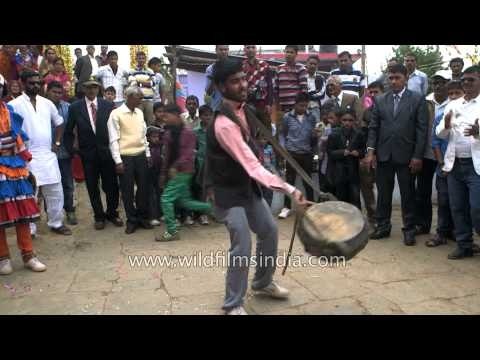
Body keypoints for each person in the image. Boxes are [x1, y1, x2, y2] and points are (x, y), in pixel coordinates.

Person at [205, 58, 308, 315]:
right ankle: (233, 304)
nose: (242, 84)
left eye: (243, 78)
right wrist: (290, 189)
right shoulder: (224, 124)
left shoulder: (245, 111)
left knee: (269, 230)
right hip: (226, 192)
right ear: (220, 87)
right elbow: (252, 166)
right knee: (242, 243)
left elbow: (257, 156)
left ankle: (262, 282)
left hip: (245, 187)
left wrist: (277, 175)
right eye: (234, 81)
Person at [365, 63, 428, 246]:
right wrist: (370, 152)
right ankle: (383, 226)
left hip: (407, 156)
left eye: (397, 77)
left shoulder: (417, 99)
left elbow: (421, 130)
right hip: (384, 155)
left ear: (406, 78)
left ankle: (409, 229)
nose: (393, 81)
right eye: (390, 78)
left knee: (408, 195)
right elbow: (373, 128)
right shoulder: (380, 100)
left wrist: (417, 156)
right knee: (384, 194)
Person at [9, 71, 72, 237]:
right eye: (31, 83)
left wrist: (57, 143)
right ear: (22, 83)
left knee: (55, 191)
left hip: (48, 154)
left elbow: (59, 123)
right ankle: (30, 229)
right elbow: (10, 131)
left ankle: (56, 222)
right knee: (30, 194)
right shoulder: (15, 105)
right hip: (27, 156)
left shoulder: (47, 103)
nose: (35, 86)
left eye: (38, 83)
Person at [0, 78, 46, 275]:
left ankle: (28, 255)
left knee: (23, 214)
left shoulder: (10, 111)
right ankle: (3, 258)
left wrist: (25, 161)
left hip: (16, 167)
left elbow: (18, 139)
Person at [65, 77, 123, 230]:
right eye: (88, 87)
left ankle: (112, 213)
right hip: (88, 154)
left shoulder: (108, 105)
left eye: (94, 87)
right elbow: (68, 130)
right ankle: (99, 216)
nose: (91, 90)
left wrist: (117, 149)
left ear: (99, 89)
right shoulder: (75, 107)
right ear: (84, 89)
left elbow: (116, 129)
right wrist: (73, 150)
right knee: (92, 186)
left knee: (111, 185)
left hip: (107, 152)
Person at [435, 65, 480, 259]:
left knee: (477, 208)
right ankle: (464, 245)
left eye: (471, 79)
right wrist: (445, 126)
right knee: (458, 206)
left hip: (476, 166)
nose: (467, 83)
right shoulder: (454, 105)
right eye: (464, 80)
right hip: (454, 165)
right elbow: (439, 134)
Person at [156, 104, 212, 241]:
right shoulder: (169, 132)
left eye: (167, 116)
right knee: (184, 201)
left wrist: (175, 167)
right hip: (174, 172)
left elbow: (188, 154)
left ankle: (172, 231)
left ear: (176, 115)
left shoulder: (188, 133)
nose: (165, 119)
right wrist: (163, 173)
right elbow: (167, 155)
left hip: (182, 172)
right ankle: (215, 208)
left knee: (166, 199)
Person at [108, 86, 153, 234]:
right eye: (139, 97)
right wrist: (118, 161)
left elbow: (143, 135)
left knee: (143, 189)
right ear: (129, 97)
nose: (141, 101)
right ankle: (132, 220)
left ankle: (142, 217)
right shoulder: (116, 114)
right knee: (127, 191)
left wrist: (147, 154)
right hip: (125, 157)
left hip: (140, 155)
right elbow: (113, 140)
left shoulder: (139, 113)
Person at [414, 70, 451, 236]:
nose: (438, 86)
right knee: (423, 191)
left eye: (442, 82)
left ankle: (448, 229)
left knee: (447, 194)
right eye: (435, 82)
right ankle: (423, 224)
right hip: (427, 153)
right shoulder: (425, 101)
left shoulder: (455, 101)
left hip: (447, 154)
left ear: (448, 84)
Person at [427, 80, 463, 247]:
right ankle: (441, 232)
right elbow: (435, 142)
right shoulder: (441, 117)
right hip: (443, 166)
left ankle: (459, 234)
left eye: (458, 93)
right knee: (443, 200)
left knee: (460, 202)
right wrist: (441, 163)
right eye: (451, 94)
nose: (454, 97)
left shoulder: (470, 117)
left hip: (463, 165)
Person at [278, 92, 317, 219]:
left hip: (306, 153)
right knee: (289, 181)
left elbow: (314, 137)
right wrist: (283, 149)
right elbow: (282, 134)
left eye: (305, 106)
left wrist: (316, 136)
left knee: (308, 181)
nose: (303, 108)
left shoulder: (311, 117)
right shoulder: (287, 117)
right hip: (291, 153)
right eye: (300, 106)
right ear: (295, 104)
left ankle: (310, 207)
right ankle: (286, 207)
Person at [46, 81, 77, 225]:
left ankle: (70, 210)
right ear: (47, 91)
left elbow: (74, 128)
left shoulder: (68, 107)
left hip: (64, 152)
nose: (57, 95)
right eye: (54, 92)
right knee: (49, 185)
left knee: (67, 183)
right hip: (47, 154)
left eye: (60, 93)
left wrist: (75, 144)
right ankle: (51, 214)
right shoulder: (41, 107)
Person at [327, 109, 365, 209]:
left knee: (355, 199)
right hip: (338, 171)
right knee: (340, 200)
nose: (347, 123)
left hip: (353, 171)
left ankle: (357, 223)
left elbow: (363, 150)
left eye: (350, 120)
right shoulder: (334, 134)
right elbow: (330, 152)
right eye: (344, 120)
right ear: (340, 120)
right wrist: (343, 152)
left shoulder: (359, 134)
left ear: (354, 121)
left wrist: (358, 153)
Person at [359, 81, 384, 225]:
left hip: (387, 155)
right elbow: (365, 134)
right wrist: (369, 153)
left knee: (384, 188)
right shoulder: (367, 112)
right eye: (371, 92)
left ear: (383, 92)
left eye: (376, 92)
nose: (374, 95)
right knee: (367, 186)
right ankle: (373, 217)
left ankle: (382, 218)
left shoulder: (389, 109)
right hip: (369, 154)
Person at [192, 104, 214, 225]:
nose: (208, 118)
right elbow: (194, 148)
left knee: (213, 188)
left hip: (214, 163)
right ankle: (202, 214)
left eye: (210, 115)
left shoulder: (215, 130)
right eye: (205, 115)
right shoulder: (196, 131)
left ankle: (215, 212)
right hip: (200, 163)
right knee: (202, 189)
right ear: (200, 117)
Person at [242, 45, 274, 123]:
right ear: (244, 50)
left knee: (266, 131)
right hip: (246, 104)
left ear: (256, 49)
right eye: (248, 47)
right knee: (249, 130)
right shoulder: (240, 66)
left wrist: (269, 104)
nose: (250, 50)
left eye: (253, 47)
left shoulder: (264, 65)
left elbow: (270, 86)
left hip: (263, 104)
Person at [127, 51, 156, 125]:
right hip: (137, 100)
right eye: (139, 58)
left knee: (150, 121)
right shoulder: (132, 71)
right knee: (138, 121)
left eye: (143, 58)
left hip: (149, 100)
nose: (141, 60)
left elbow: (153, 83)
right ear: (136, 59)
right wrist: (146, 83)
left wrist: (139, 82)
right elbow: (132, 84)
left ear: (145, 59)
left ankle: (150, 136)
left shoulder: (150, 71)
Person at [146, 123, 165, 227]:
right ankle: (152, 216)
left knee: (160, 193)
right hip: (149, 174)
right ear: (147, 138)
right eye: (153, 136)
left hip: (158, 173)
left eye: (157, 136)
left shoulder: (160, 146)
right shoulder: (146, 148)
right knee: (151, 195)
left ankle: (161, 214)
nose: (156, 138)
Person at [205, 45, 229, 112]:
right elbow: (208, 92)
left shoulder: (234, 67)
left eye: (225, 49)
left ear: (228, 50)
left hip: (232, 107)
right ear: (216, 50)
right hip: (217, 107)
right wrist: (214, 78)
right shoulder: (210, 69)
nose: (223, 52)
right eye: (221, 50)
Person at [306, 54, 327, 122]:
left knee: (315, 129)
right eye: (311, 63)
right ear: (307, 63)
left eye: (315, 64)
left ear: (317, 65)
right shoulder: (301, 76)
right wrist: (314, 91)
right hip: (302, 108)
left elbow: (321, 94)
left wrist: (307, 94)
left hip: (315, 108)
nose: (313, 66)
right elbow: (299, 91)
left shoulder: (321, 78)